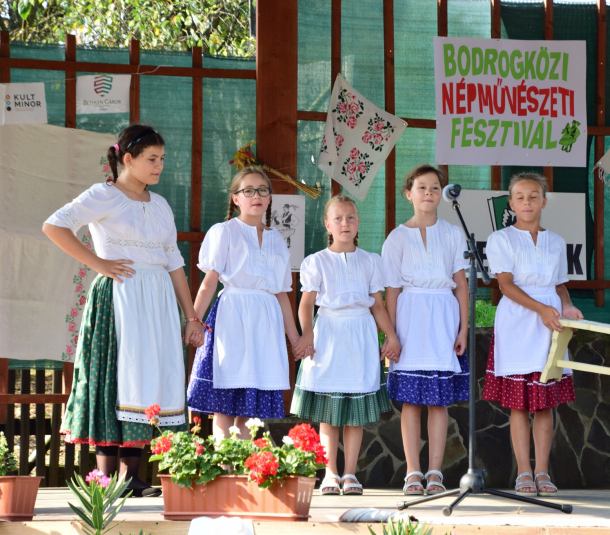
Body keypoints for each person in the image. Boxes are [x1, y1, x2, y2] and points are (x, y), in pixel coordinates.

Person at [43, 125, 204, 497]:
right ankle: (106, 478)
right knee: (115, 378)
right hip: (120, 297)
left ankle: (132, 478)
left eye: (162, 159)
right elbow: (54, 225)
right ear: (127, 159)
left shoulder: (160, 204)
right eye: (152, 159)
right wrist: (98, 263)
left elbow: (173, 261)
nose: (159, 165)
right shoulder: (104, 194)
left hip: (158, 300)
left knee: (148, 378)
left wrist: (191, 315)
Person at [290, 194, 401, 496]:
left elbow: (377, 306)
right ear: (327, 224)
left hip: (361, 334)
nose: (345, 223)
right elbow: (306, 304)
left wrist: (390, 335)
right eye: (337, 218)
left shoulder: (370, 260)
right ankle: (330, 473)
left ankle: (350, 473)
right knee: (329, 411)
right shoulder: (315, 262)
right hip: (328, 333)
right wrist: (306, 333)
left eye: (350, 217)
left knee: (354, 411)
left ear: (358, 222)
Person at [483, 172, 583, 497]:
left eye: (534, 196)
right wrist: (540, 309)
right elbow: (506, 285)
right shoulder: (501, 239)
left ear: (543, 200)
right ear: (511, 203)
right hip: (517, 322)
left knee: (543, 404)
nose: (527, 202)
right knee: (519, 404)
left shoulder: (556, 241)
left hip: (550, 323)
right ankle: (523, 472)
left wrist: (566, 306)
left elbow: (558, 284)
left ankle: (542, 470)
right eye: (520, 197)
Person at [187, 167, 300, 439]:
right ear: (236, 198)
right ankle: (226, 470)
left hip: (265, 323)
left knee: (249, 409)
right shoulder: (224, 232)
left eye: (262, 190)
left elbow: (281, 293)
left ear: (270, 197)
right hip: (232, 318)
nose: (256, 196)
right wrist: (194, 321)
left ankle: (242, 471)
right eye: (248, 191)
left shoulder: (277, 240)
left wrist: (296, 338)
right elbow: (209, 283)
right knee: (225, 403)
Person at [381, 164, 469, 496]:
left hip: (443, 319)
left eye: (435, 187)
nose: (429, 193)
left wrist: (462, 329)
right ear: (409, 194)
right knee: (411, 402)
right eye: (421, 187)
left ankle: (435, 472)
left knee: (438, 402)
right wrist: (391, 334)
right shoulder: (397, 237)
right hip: (410, 319)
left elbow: (461, 284)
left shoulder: (452, 233)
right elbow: (391, 290)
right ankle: (413, 472)